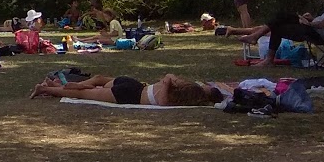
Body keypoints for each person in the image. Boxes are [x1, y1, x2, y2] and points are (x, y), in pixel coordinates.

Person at [29, 73, 222, 106]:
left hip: (133, 91)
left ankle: (52, 87)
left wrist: (168, 81)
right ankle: (53, 88)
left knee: (88, 90)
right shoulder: (189, 89)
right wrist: (169, 80)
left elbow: (163, 99)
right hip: (134, 88)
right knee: (88, 89)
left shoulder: (190, 94)